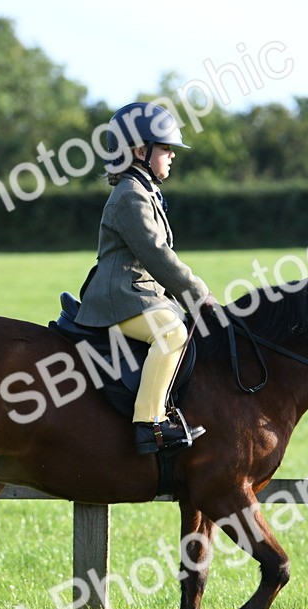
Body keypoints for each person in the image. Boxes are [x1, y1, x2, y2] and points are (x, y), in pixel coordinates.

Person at [75, 102, 217, 456]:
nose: (172, 155)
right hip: (121, 296)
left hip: (139, 293)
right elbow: (157, 255)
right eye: (166, 147)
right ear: (140, 150)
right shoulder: (130, 196)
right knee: (171, 333)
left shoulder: (143, 189)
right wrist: (200, 295)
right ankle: (149, 424)